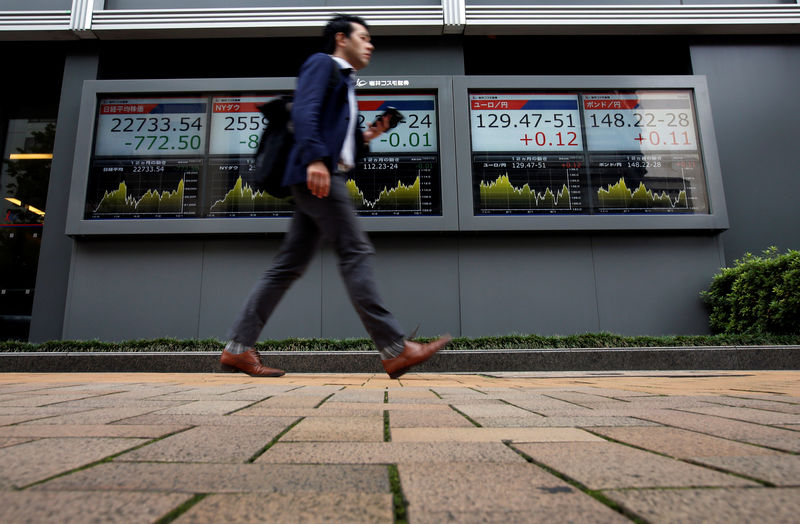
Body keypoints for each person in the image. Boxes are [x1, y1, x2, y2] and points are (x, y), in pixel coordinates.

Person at [220, 14, 451, 378]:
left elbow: (336, 137)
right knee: (355, 251)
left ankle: (237, 348)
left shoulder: (345, 83)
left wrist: (370, 135)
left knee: (287, 266)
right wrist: (314, 158)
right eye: (364, 37)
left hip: (322, 175)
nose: (370, 44)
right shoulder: (322, 64)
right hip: (319, 177)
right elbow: (305, 111)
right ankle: (394, 347)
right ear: (341, 38)